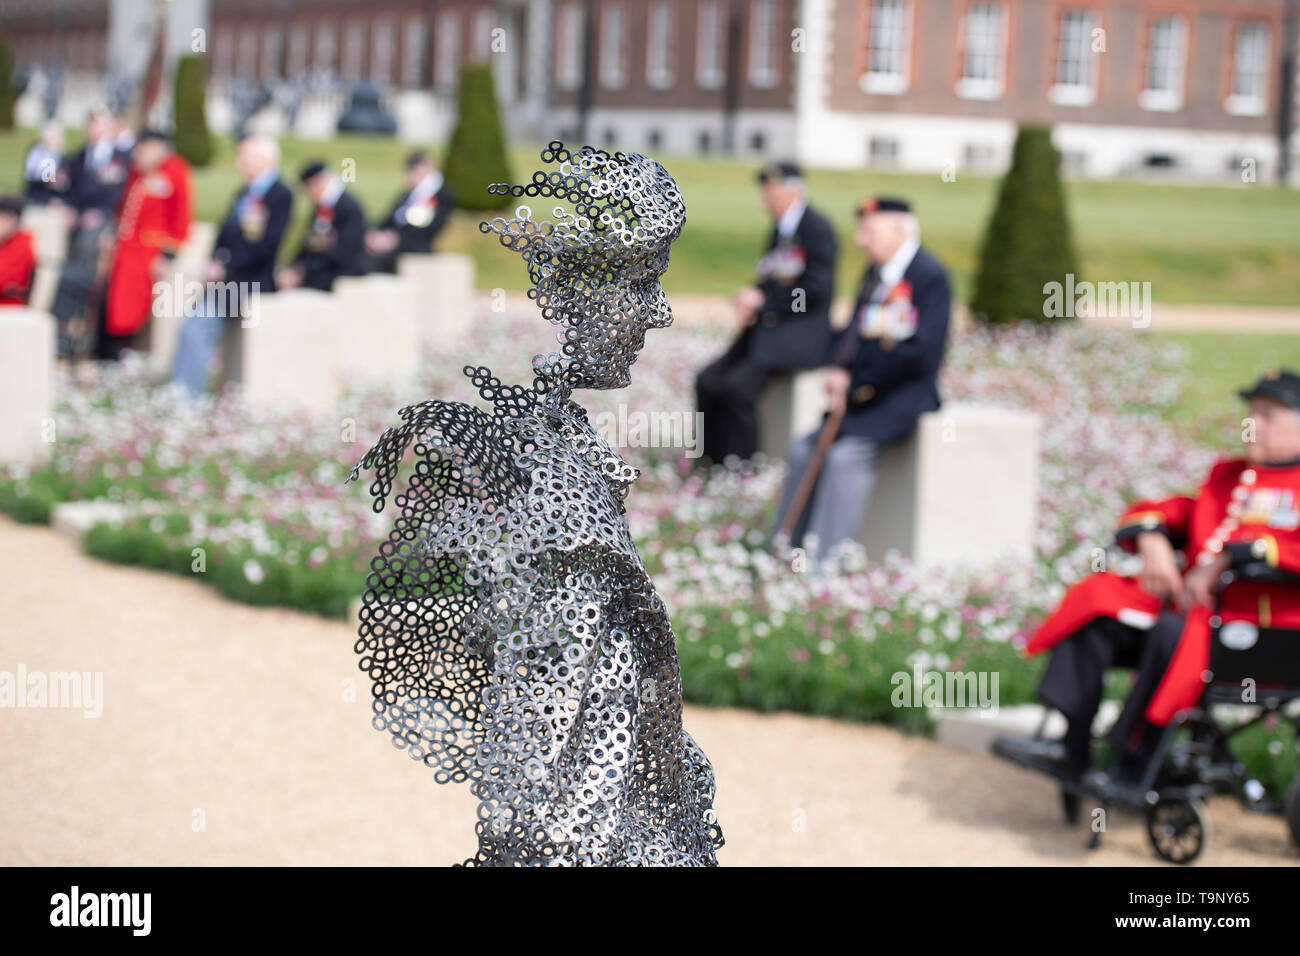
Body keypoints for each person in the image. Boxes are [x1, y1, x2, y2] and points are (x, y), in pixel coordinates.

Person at [347, 143, 723, 866]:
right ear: (580, 295)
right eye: (642, 285)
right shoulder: (555, 486)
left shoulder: (561, 445)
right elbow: (543, 735)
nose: (661, 314)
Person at [995, 369, 1300, 786]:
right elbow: (1160, 512)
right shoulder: (1227, 476)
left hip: (1256, 633)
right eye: (1251, 412)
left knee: (1170, 633)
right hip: (1192, 618)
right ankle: (1073, 745)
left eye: (1268, 415)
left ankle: (1133, 760)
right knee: (1100, 609)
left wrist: (1229, 559)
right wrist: (1153, 542)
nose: (1252, 424)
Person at [771, 196, 951, 563]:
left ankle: (826, 560)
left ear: (899, 230)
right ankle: (784, 547)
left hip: (900, 397)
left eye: (869, 231)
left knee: (844, 457)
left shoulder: (929, 277)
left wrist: (855, 383)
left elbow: (919, 353)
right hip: (861, 396)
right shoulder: (874, 274)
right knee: (804, 449)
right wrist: (837, 367)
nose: (860, 240)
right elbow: (853, 333)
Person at [695, 160, 837, 463]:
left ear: (791, 193)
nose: (764, 201)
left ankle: (743, 466)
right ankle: (709, 463)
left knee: (737, 389)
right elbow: (772, 277)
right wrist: (753, 296)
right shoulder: (781, 231)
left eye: (770, 193)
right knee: (707, 380)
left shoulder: (816, 229)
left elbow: (812, 290)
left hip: (797, 333)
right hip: (768, 328)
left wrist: (767, 303)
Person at [170, 135, 293, 398]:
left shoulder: (280, 195)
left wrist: (226, 267)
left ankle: (187, 398)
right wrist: (216, 261)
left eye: (246, 158)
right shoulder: (244, 193)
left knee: (197, 328)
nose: (240, 164)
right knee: (191, 327)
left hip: (250, 280)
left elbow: (267, 244)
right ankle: (180, 389)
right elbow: (225, 234)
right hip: (227, 279)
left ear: (265, 160)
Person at [96, 129, 193, 361]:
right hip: (125, 247)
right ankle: (105, 349)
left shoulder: (174, 171)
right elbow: (125, 207)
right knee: (109, 298)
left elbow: (180, 218)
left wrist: (168, 255)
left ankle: (121, 348)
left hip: (147, 250)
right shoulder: (138, 172)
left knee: (130, 301)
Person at [52, 108, 131, 357]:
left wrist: (102, 213)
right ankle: (65, 331)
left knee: (83, 263)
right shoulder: (78, 157)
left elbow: (120, 194)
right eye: (91, 125)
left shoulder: (120, 158)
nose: (93, 131)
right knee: (68, 266)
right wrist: (69, 208)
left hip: (102, 224)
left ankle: (79, 329)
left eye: (98, 125)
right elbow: (64, 186)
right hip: (77, 226)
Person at [278, 160, 367, 292]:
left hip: (337, 275)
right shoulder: (321, 207)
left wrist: (303, 271)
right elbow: (308, 244)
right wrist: (294, 267)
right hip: (318, 270)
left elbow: (344, 252)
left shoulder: (348, 207)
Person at [365, 149, 455, 273]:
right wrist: (376, 234)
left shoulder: (439, 195)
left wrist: (396, 240)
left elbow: (428, 230)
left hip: (414, 248)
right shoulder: (407, 195)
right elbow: (389, 219)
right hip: (393, 243)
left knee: (370, 263)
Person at [0, 195, 37, 306]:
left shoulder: (23, 244)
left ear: (11, 219)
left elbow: (3, 278)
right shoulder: (4, 242)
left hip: (9, 305)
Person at [22, 121, 68, 206]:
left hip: (51, 196)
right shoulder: (35, 152)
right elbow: (32, 173)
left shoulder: (61, 156)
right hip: (34, 192)